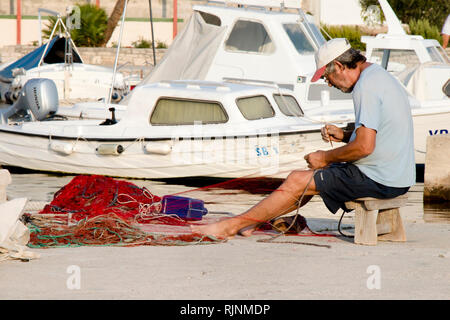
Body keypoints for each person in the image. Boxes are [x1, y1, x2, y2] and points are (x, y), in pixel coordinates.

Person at [191, 38, 416, 240]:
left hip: (381, 179)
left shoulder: (365, 87)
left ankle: (232, 225)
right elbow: (379, 134)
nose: (329, 84)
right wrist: (345, 135)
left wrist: (325, 157)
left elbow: (365, 147)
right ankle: (250, 222)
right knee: (304, 180)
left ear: (338, 66)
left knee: (299, 180)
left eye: (328, 78)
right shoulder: (378, 75)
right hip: (397, 176)